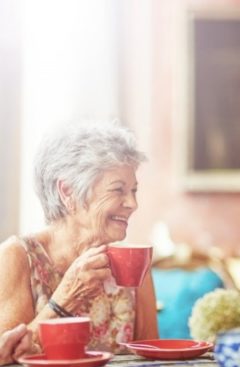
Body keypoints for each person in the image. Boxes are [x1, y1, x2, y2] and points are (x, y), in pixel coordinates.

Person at [0, 121, 158, 354]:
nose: (133, 204)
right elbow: (5, 360)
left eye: (134, 190)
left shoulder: (132, 262)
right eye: (118, 190)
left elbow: (152, 358)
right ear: (68, 192)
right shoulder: (18, 256)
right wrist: (65, 298)